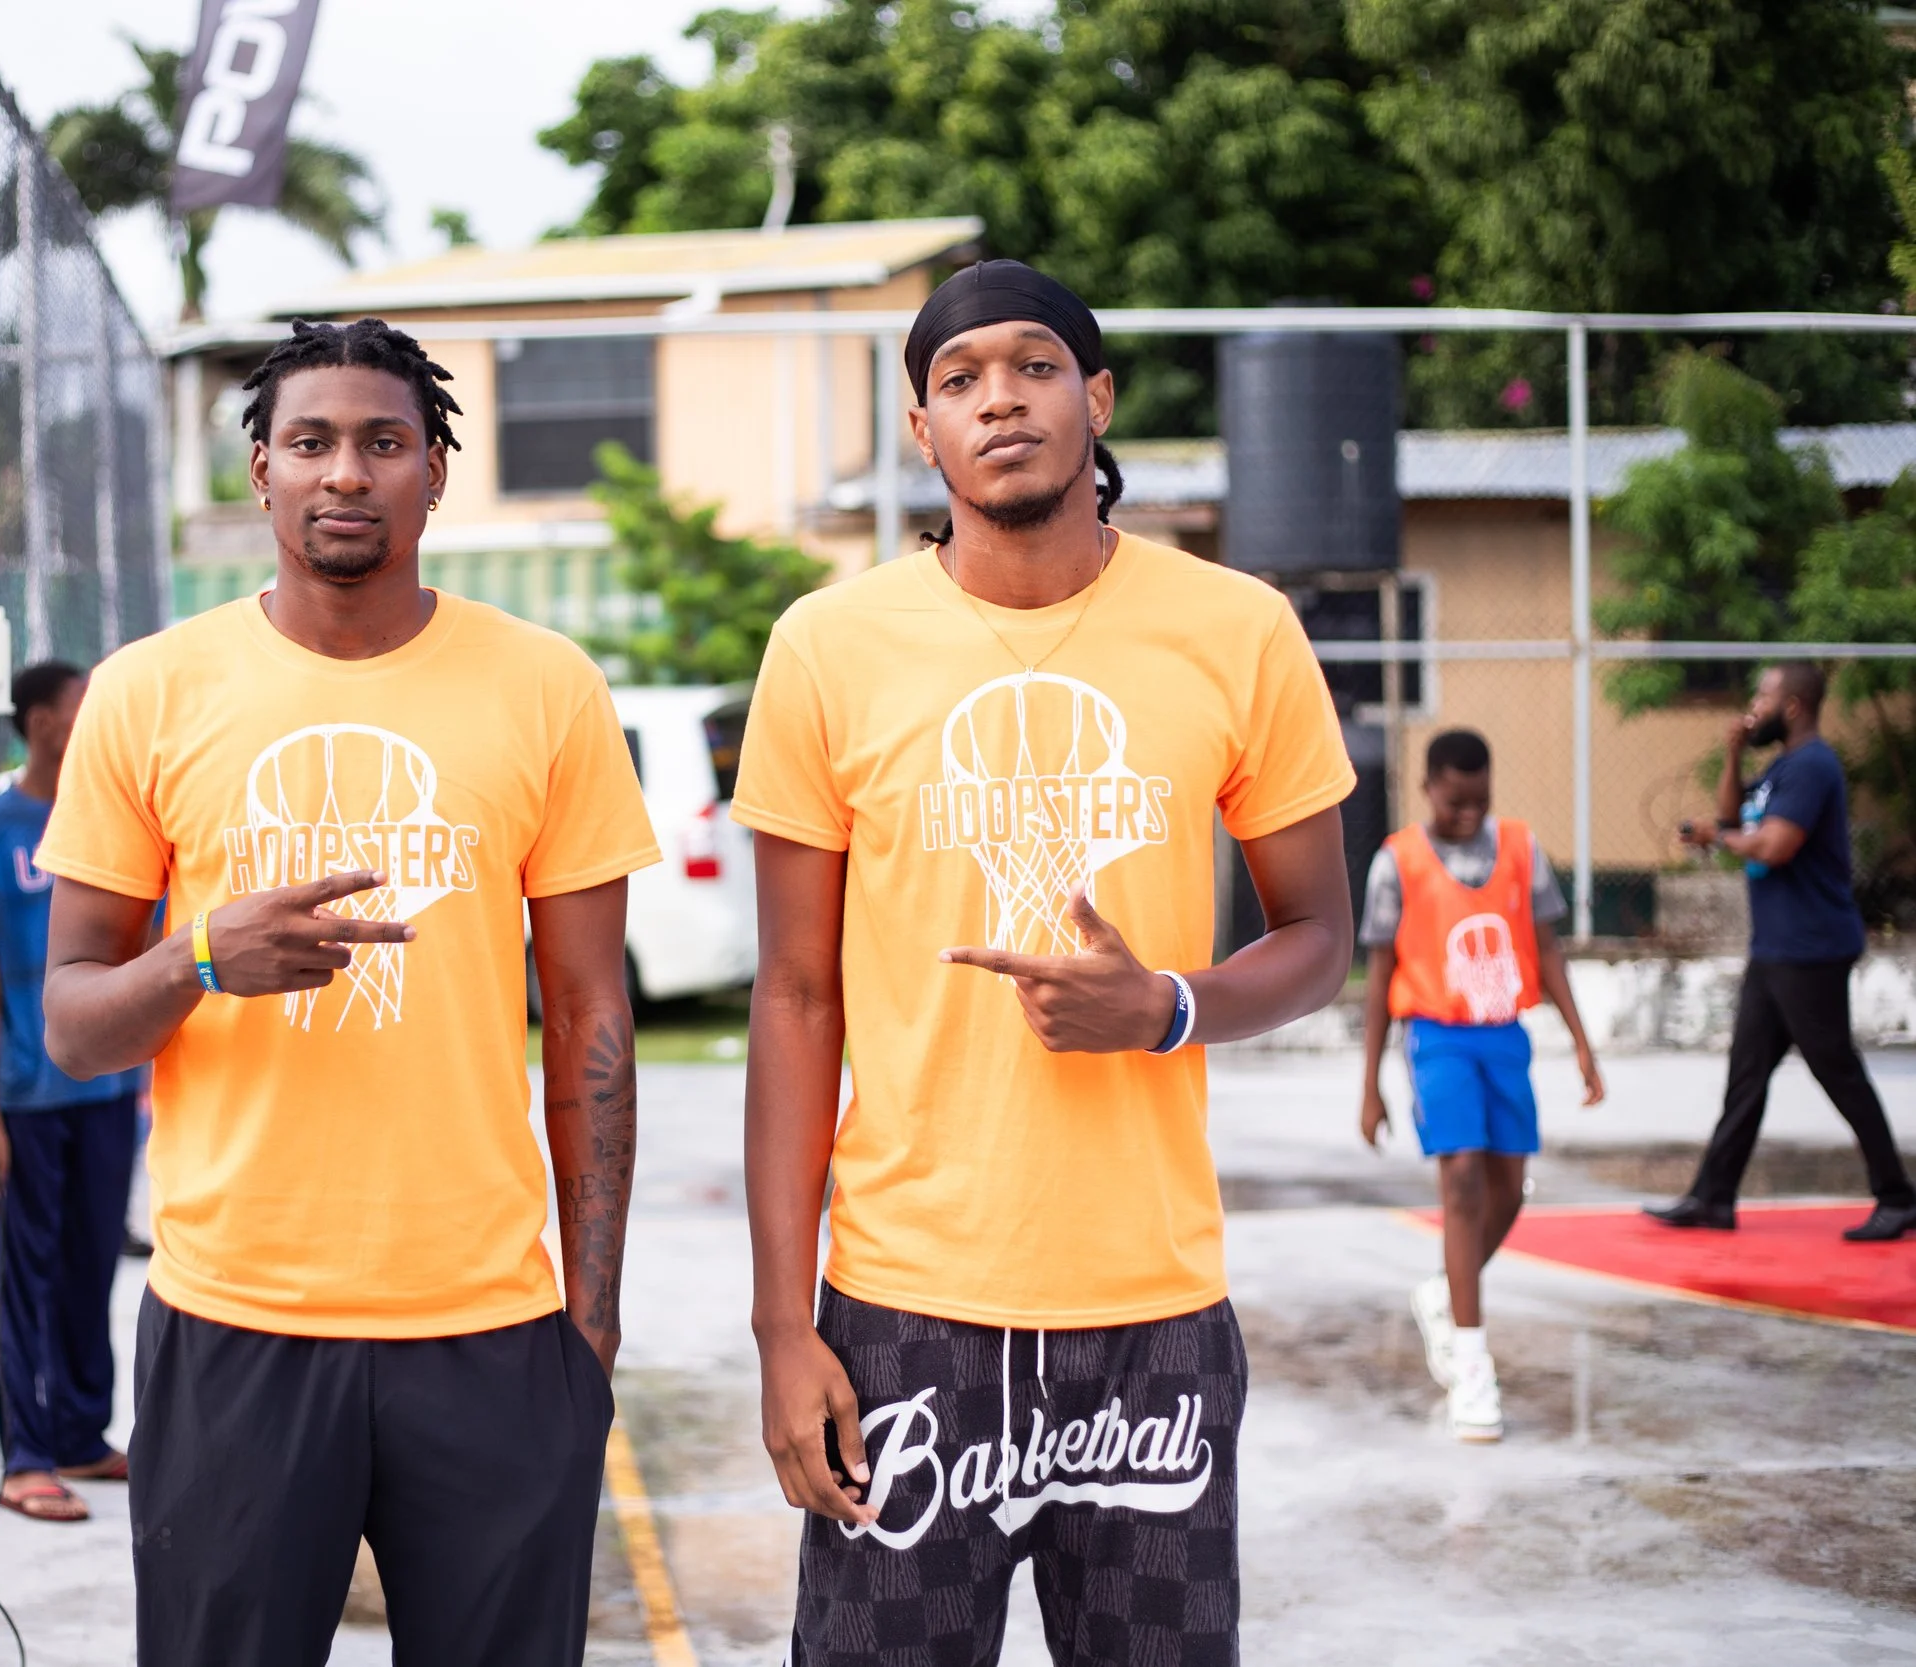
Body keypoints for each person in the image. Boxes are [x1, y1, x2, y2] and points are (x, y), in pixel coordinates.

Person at [737, 260, 1357, 1666]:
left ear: (1099, 395)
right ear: (922, 430)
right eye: (957, 379)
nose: (997, 398)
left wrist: (1169, 1005)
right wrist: (785, 1322)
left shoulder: (1237, 628)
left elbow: (1320, 935)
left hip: (1152, 1315)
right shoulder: (829, 646)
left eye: (1029, 364)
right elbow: (795, 994)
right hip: (904, 1312)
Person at [34, 318, 659, 1666]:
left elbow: (592, 1022)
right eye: (310, 442)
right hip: (236, 1321)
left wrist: (588, 1329)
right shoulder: (149, 694)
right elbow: (73, 1021)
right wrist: (204, 956)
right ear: (259, 474)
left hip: (491, 1327)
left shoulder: (546, 687)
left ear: (436, 472)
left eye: (385, 443)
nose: (346, 473)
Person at [1357, 728, 1605, 1444]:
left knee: (1508, 1190)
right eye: (1455, 799)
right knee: (1461, 1177)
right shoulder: (1396, 862)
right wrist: (1370, 1081)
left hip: (1505, 1036)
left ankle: (1442, 1292)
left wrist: (1584, 1044)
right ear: (1429, 786)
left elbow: (1550, 951)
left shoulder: (1522, 850)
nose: (1468, 812)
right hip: (1436, 1036)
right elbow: (1376, 977)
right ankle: (1472, 1363)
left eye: (1481, 799)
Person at [0, 658, 145, 1523]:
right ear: (40, 723)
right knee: (20, 1276)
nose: (94, 715)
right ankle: (25, 1456)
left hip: (104, 1094)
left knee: (90, 1265)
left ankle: (79, 1431)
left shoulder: (111, 811)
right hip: (27, 1100)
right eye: (80, 705)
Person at [1649, 662, 1915, 1242]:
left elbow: (1772, 846)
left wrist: (1716, 838)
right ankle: (1712, 1199)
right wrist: (1732, 754)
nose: (1753, 704)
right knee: (1746, 1077)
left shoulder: (1814, 767)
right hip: (1775, 948)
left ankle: (1897, 1197)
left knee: (1837, 1071)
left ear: (1791, 706)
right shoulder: (1780, 769)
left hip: (1811, 948)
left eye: (1763, 695)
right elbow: (1730, 817)